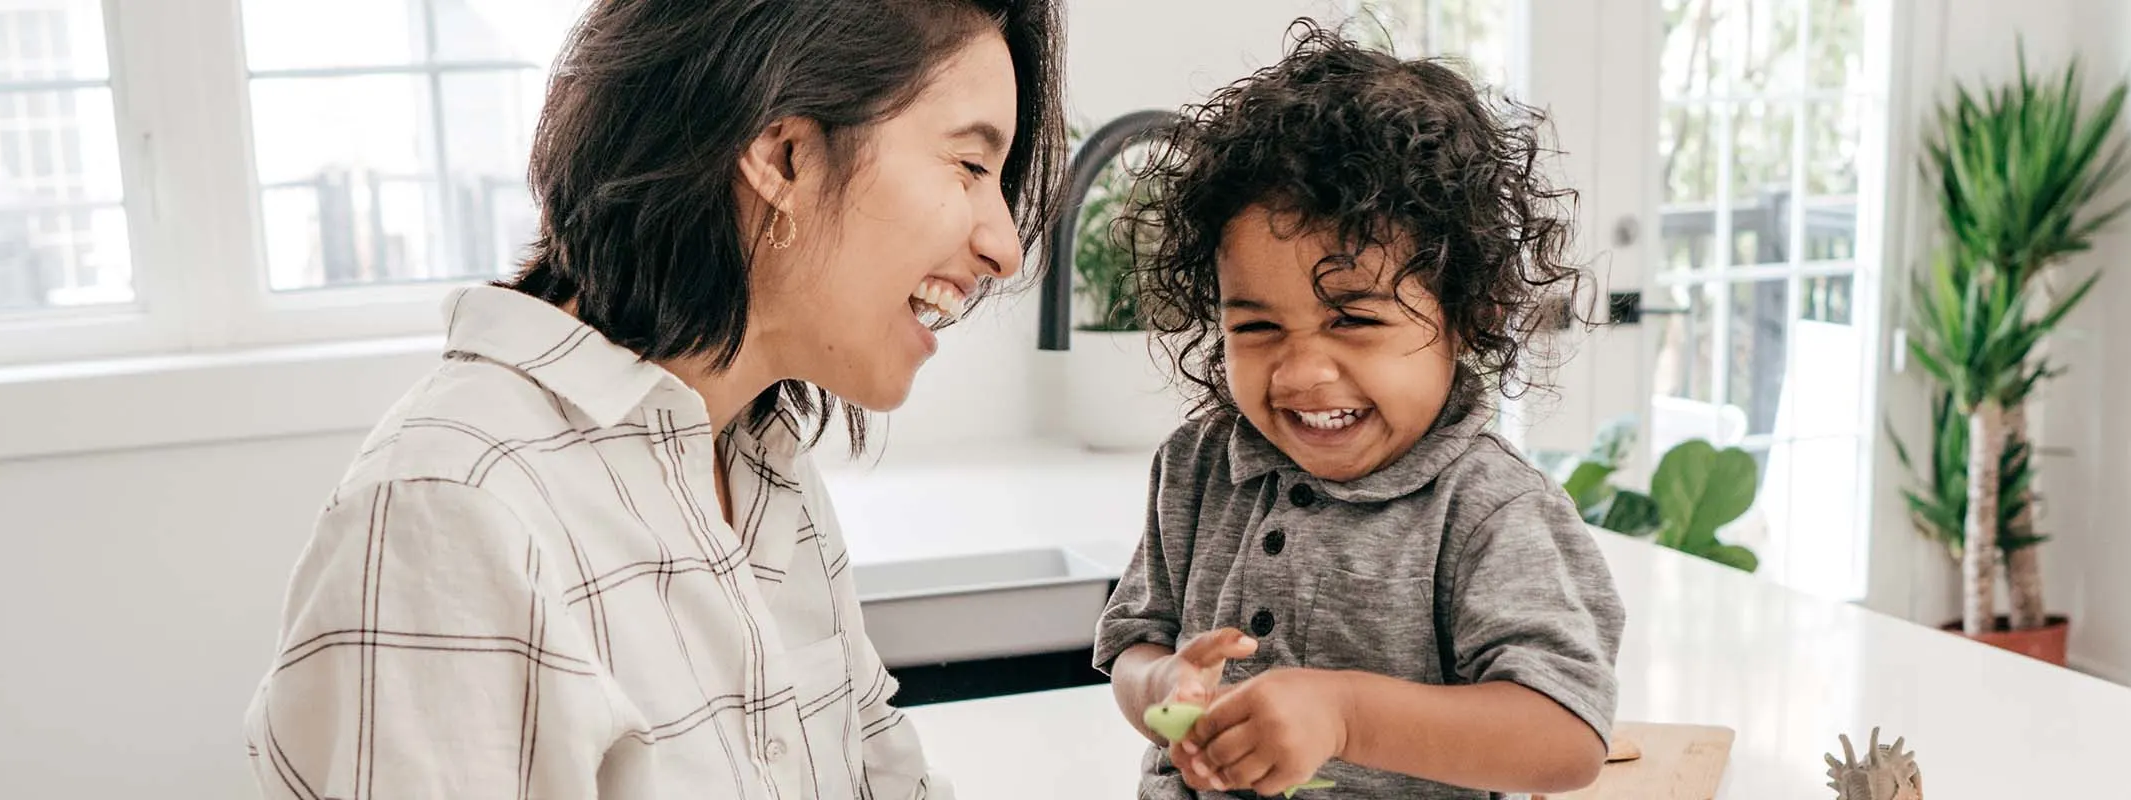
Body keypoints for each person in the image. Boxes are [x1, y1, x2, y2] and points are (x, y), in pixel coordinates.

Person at [241, 0, 1065, 796]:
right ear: (785, 157)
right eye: (969, 166)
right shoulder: (452, 510)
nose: (1002, 246)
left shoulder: (759, 465)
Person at [1093, 21, 1625, 800]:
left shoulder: (1488, 509)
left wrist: (1344, 715)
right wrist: (1164, 687)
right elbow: (1134, 648)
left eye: (1354, 319)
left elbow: (1565, 736)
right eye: (1258, 327)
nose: (1302, 372)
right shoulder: (1199, 467)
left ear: (1468, 314)